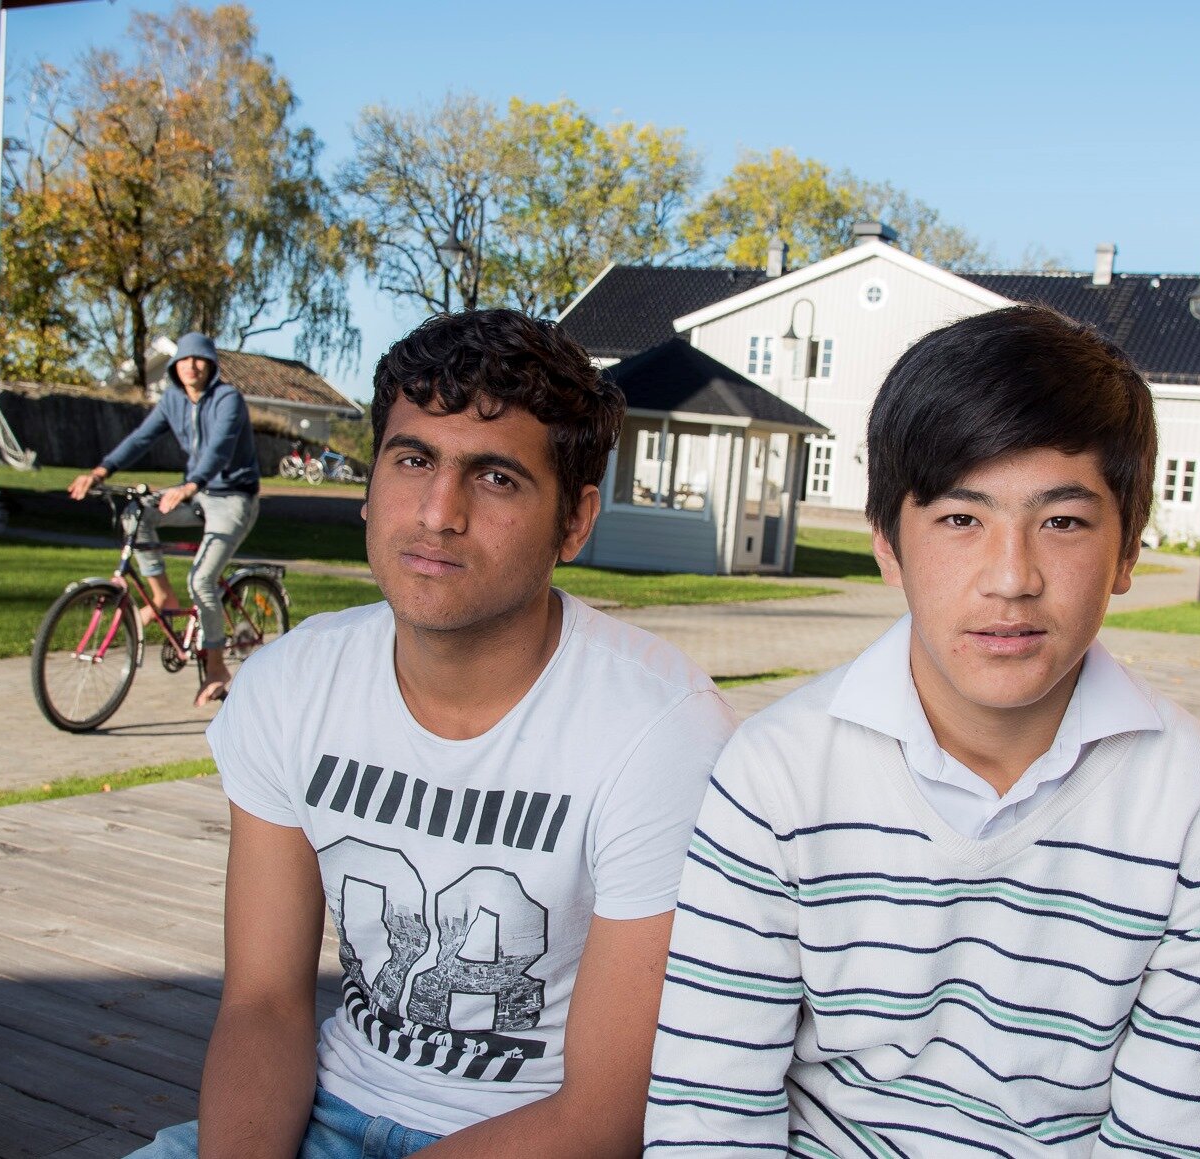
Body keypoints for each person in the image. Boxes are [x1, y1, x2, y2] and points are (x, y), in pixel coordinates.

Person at [644, 305, 1200, 1157]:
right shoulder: (774, 777)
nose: (1011, 578)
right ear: (887, 543)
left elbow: (1173, 1143)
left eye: (1062, 521)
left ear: (1128, 549)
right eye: (960, 519)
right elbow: (708, 1117)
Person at [131, 309, 736, 1158]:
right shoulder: (291, 686)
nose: (439, 512)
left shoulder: (660, 729)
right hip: (329, 1109)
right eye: (413, 460)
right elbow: (263, 1004)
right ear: (371, 482)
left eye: (496, 477)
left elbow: (603, 1113)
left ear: (574, 521)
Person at [69, 332, 260, 706]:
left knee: (202, 579)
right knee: (135, 515)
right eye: (184, 359)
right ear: (175, 367)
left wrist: (190, 485)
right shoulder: (173, 400)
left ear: (211, 366)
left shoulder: (228, 400)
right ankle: (161, 595)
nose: (192, 365)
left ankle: (217, 668)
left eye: (200, 359)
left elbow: (220, 449)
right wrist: (100, 472)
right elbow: (140, 439)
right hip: (197, 492)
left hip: (234, 497)